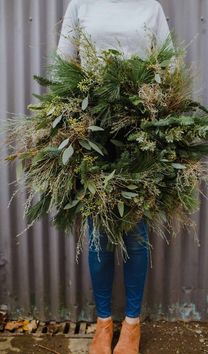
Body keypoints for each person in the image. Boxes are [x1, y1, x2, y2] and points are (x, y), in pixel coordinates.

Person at [56, 1, 172, 353]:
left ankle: (132, 325)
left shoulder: (151, 7)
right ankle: (104, 323)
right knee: (98, 227)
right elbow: (64, 64)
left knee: (136, 230)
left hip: (139, 131)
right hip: (94, 129)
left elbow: (169, 65)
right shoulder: (81, 5)